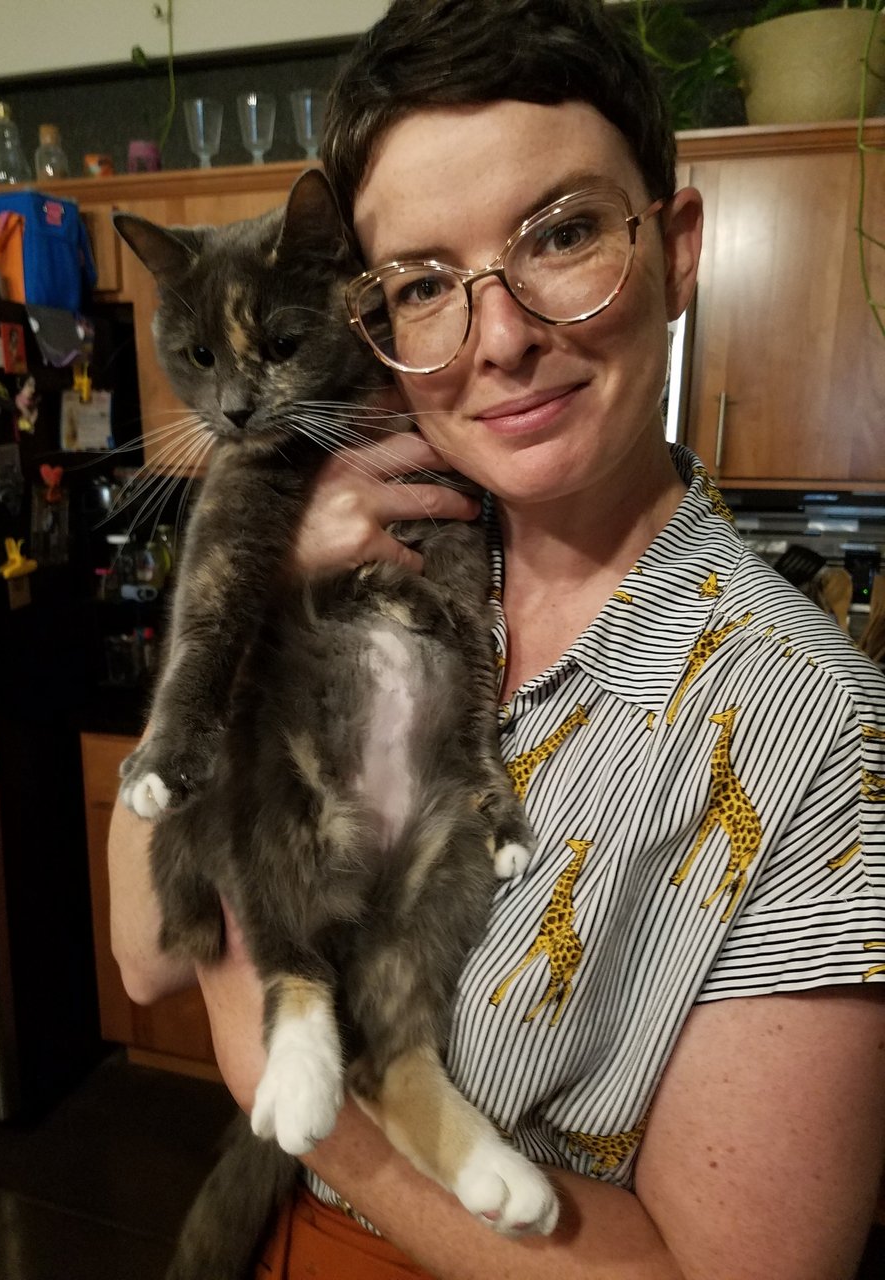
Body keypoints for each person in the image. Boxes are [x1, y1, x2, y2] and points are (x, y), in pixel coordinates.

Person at [108, 1, 885, 1276]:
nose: (504, 336)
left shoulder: (816, 738)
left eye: (563, 234)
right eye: (423, 284)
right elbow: (144, 948)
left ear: (678, 248)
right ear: (373, 319)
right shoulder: (371, 540)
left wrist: (290, 1080)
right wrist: (259, 587)